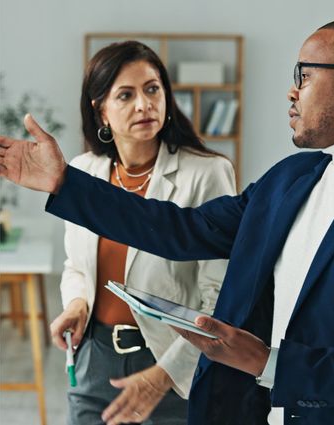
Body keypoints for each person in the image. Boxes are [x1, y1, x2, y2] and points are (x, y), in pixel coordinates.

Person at [0, 17, 334, 425]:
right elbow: (181, 229)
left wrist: (269, 364)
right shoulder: (291, 178)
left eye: (305, 76)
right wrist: (64, 183)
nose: (292, 92)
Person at [46, 41, 235, 425]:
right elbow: (76, 266)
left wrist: (166, 374)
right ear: (101, 110)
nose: (144, 104)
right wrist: (77, 303)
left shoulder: (207, 173)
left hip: (172, 363)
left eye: (152, 89)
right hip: (94, 359)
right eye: (126, 95)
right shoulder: (82, 173)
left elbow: (221, 293)